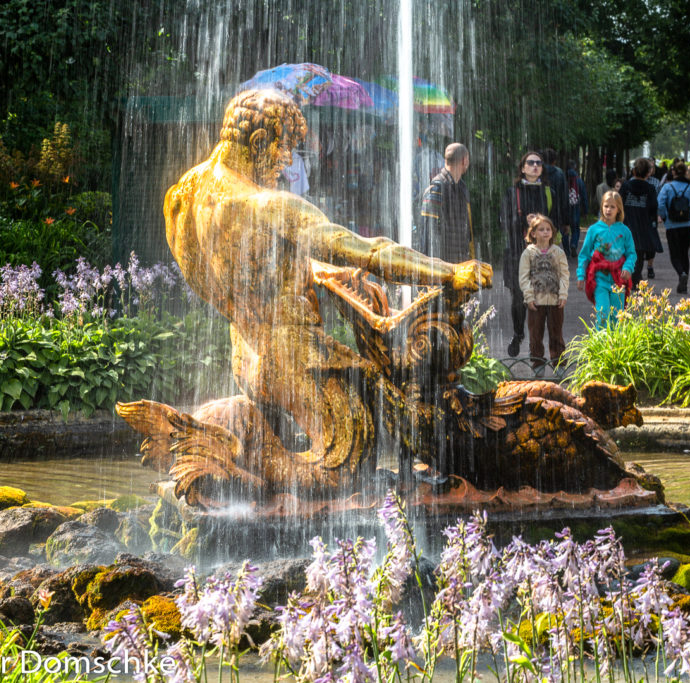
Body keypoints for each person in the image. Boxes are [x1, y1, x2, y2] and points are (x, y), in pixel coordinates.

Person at [164, 89, 491, 487]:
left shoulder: (182, 196)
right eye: (286, 149)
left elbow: (230, 276)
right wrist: (448, 272)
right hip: (297, 359)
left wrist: (302, 272)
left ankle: (251, 484)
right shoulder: (264, 204)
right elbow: (369, 252)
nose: (287, 163)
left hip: (245, 354)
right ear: (259, 142)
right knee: (353, 450)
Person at [502, 150, 562, 357]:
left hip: (543, 255)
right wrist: (523, 222)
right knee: (518, 296)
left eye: (538, 163)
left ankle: (539, 349)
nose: (535, 166)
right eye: (530, 162)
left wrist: (543, 223)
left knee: (543, 301)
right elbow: (504, 221)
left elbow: (557, 221)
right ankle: (518, 334)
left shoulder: (548, 192)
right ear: (523, 167)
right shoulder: (512, 193)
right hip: (517, 251)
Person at [577, 191, 637, 329]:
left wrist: (628, 267)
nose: (608, 210)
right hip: (599, 279)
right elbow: (585, 254)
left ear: (619, 209)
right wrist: (581, 275)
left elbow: (631, 253)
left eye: (612, 207)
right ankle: (601, 346)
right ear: (601, 207)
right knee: (603, 313)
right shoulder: (594, 230)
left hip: (619, 280)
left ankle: (615, 348)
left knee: (617, 316)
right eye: (606, 206)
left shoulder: (625, 231)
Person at [518, 213, 568, 375]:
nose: (545, 232)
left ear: (553, 232)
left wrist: (563, 294)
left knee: (556, 332)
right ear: (533, 233)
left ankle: (559, 363)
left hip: (555, 300)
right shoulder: (528, 253)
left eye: (548, 229)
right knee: (535, 333)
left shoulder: (558, 252)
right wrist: (529, 296)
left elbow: (564, 274)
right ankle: (538, 363)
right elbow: (523, 277)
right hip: (536, 301)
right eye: (541, 230)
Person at [418, 142, 474, 263]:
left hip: (459, 263)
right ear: (464, 161)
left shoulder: (462, 188)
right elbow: (428, 233)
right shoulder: (437, 188)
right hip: (441, 266)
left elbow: (467, 230)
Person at [657, 160, 690, 293]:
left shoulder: (667, 187)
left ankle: (681, 273)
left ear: (673, 172)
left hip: (672, 225)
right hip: (688, 225)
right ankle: (684, 282)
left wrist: (665, 216)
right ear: (686, 172)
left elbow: (660, 204)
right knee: (684, 253)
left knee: (674, 254)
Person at [620, 158, 660, 288]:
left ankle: (626, 277)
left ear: (634, 170)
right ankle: (635, 278)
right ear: (648, 172)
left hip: (627, 223)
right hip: (643, 225)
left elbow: (619, 204)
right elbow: (653, 207)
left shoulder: (625, 186)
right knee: (639, 253)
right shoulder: (650, 188)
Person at [566, 162, 587, 257]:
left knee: (565, 229)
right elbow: (584, 196)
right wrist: (585, 210)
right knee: (575, 229)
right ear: (575, 168)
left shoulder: (564, 179)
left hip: (565, 208)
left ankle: (566, 250)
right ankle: (573, 244)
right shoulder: (579, 181)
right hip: (576, 208)